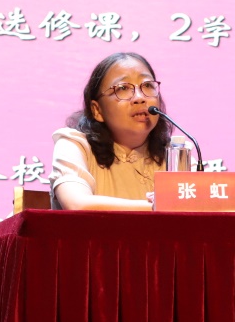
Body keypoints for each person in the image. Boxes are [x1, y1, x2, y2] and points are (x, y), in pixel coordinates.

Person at [50, 52, 170, 211]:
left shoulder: (175, 154)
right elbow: (77, 205)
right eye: (123, 88)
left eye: (147, 85)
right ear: (97, 110)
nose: (139, 98)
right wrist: (162, 207)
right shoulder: (75, 145)